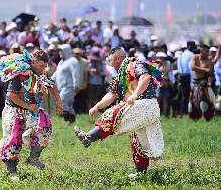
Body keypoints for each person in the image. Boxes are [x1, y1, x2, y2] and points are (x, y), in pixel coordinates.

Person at [74, 47, 164, 176]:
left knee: (114, 112)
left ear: (117, 58)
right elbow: (111, 95)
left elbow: (145, 78)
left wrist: (135, 94)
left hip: (146, 104)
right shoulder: (120, 76)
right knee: (137, 141)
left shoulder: (135, 64)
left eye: (110, 61)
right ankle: (141, 174)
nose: (110, 64)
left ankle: (89, 137)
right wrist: (97, 107)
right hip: (141, 109)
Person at [0, 50, 63, 181]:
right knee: (14, 135)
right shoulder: (20, 75)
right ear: (33, 62)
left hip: (32, 110)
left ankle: (33, 158)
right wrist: (28, 106)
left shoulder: (42, 73)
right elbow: (11, 95)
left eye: (45, 66)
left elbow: (52, 86)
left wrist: (59, 103)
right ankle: (12, 170)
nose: (44, 69)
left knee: (45, 124)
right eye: (41, 66)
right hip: (14, 110)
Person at [51, 44, 80, 123]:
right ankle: (71, 121)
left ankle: (67, 118)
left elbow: (75, 73)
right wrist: (49, 81)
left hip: (69, 87)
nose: (60, 52)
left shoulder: (72, 61)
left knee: (61, 101)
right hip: (62, 87)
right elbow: (56, 74)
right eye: (59, 51)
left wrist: (76, 84)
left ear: (66, 51)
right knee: (69, 104)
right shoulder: (61, 62)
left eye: (61, 51)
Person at [189, 44, 215, 120]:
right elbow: (192, 67)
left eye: (208, 51)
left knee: (204, 100)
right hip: (194, 83)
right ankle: (194, 117)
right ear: (202, 51)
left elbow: (211, 73)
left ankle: (205, 116)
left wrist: (209, 83)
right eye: (206, 51)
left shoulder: (209, 61)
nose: (208, 53)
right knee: (192, 100)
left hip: (204, 83)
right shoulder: (195, 57)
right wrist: (205, 70)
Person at [177, 41, 196, 115]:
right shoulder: (191, 55)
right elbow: (190, 68)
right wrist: (192, 81)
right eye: (193, 46)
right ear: (189, 46)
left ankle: (182, 112)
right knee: (190, 95)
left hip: (181, 76)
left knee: (184, 96)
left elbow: (179, 68)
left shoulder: (181, 55)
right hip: (188, 76)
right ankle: (189, 112)